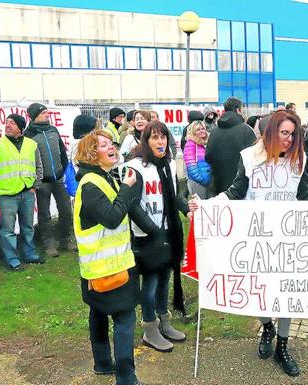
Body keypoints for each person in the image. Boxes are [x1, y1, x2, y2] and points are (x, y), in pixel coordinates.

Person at [190, 111, 308, 377]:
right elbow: (235, 192)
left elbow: (306, 195)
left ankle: (283, 345)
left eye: (293, 134)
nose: (289, 139)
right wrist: (207, 207)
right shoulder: (249, 158)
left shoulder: (297, 162)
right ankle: (267, 326)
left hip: (287, 242)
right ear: (271, 133)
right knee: (258, 294)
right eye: (284, 133)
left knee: (286, 296)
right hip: (255, 241)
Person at [72, 129, 147, 385]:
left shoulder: (103, 177)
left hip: (98, 269)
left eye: (110, 142)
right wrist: (126, 188)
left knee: (98, 313)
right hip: (110, 270)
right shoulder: (91, 184)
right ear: (92, 154)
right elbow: (113, 218)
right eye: (103, 145)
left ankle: (103, 364)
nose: (111, 146)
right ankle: (126, 379)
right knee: (125, 320)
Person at [125, 121, 189, 353]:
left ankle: (165, 321)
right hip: (147, 235)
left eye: (163, 137)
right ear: (145, 141)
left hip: (169, 232)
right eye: (154, 137)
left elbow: (175, 194)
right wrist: (153, 230)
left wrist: (187, 209)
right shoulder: (135, 167)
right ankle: (149, 329)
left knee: (165, 279)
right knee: (150, 284)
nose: (160, 141)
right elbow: (132, 204)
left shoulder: (169, 164)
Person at [0, 114, 44, 270]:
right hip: (8, 194)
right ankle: (12, 259)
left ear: (20, 128)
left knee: (28, 226)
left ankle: (28, 254)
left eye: (12, 123)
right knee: (8, 229)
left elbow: (39, 167)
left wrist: (35, 186)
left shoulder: (31, 144)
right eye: (7, 122)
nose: (8, 125)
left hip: (27, 192)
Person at [24, 103, 75, 257]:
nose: (48, 114)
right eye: (44, 112)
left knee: (66, 211)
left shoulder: (53, 130)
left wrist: (65, 170)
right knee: (44, 215)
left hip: (59, 179)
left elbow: (62, 152)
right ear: (34, 116)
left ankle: (65, 240)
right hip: (42, 182)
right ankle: (49, 244)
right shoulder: (28, 134)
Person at [205, 97, 256, 194]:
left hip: (218, 185)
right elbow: (255, 158)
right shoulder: (247, 130)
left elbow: (208, 156)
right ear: (238, 110)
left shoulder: (214, 131)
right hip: (241, 188)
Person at [183, 121, 211, 199]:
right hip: (197, 183)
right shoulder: (190, 144)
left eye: (203, 129)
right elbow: (191, 166)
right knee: (199, 208)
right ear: (193, 132)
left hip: (208, 182)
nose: (201, 131)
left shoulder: (207, 143)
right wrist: (202, 180)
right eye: (198, 129)